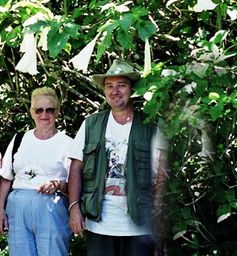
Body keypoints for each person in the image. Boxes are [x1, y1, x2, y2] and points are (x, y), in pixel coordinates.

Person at [67, 60, 168, 255]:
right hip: (98, 224)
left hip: (140, 226)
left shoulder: (151, 125)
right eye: (109, 86)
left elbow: (162, 177)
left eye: (121, 85)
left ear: (132, 89)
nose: (115, 91)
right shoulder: (90, 124)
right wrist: (73, 208)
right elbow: (76, 168)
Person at [0, 87, 74, 255]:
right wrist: (0, 210)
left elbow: (77, 186)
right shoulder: (19, 139)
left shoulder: (68, 144)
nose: (44, 114)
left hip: (52, 207)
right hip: (18, 207)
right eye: (38, 110)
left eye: (49, 110)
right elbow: (6, 178)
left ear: (57, 111)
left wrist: (59, 185)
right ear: (31, 112)